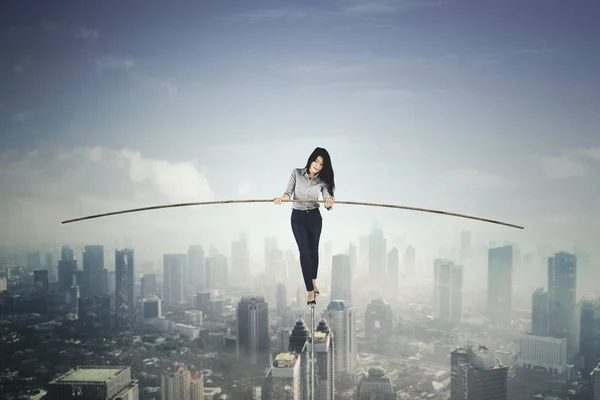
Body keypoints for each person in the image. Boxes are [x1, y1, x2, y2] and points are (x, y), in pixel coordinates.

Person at [274, 147, 335, 306]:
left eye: (321, 164)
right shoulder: (296, 173)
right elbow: (288, 192)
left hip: (314, 217)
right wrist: (283, 198)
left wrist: (329, 202)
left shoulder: (322, 180)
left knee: (314, 250)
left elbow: (327, 197)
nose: (317, 165)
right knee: (304, 252)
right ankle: (310, 290)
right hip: (298, 217)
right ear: (311, 159)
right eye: (316, 161)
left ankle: (313, 281)